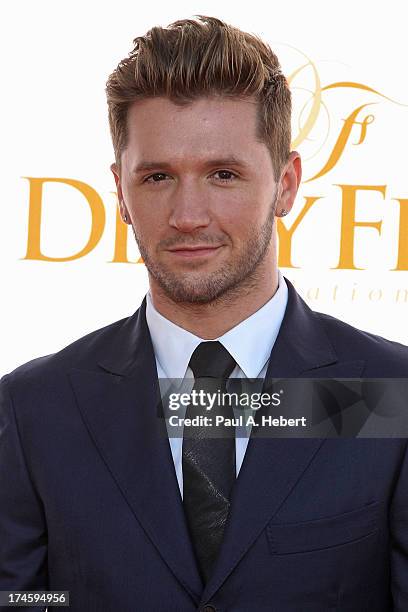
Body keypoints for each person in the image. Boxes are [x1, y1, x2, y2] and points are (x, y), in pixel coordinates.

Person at [1, 15, 408, 612]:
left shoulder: (388, 393)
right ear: (120, 192)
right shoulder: (34, 408)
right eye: (158, 176)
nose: (188, 215)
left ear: (287, 184)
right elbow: (26, 601)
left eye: (223, 175)